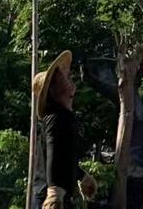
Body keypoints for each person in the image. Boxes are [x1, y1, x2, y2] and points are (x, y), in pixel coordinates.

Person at [32, 51, 97, 208]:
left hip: (59, 196)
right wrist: (54, 192)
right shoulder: (57, 117)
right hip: (51, 199)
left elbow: (63, 157)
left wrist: (82, 176)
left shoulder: (62, 116)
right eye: (65, 78)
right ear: (54, 89)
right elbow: (54, 152)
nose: (70, 79)